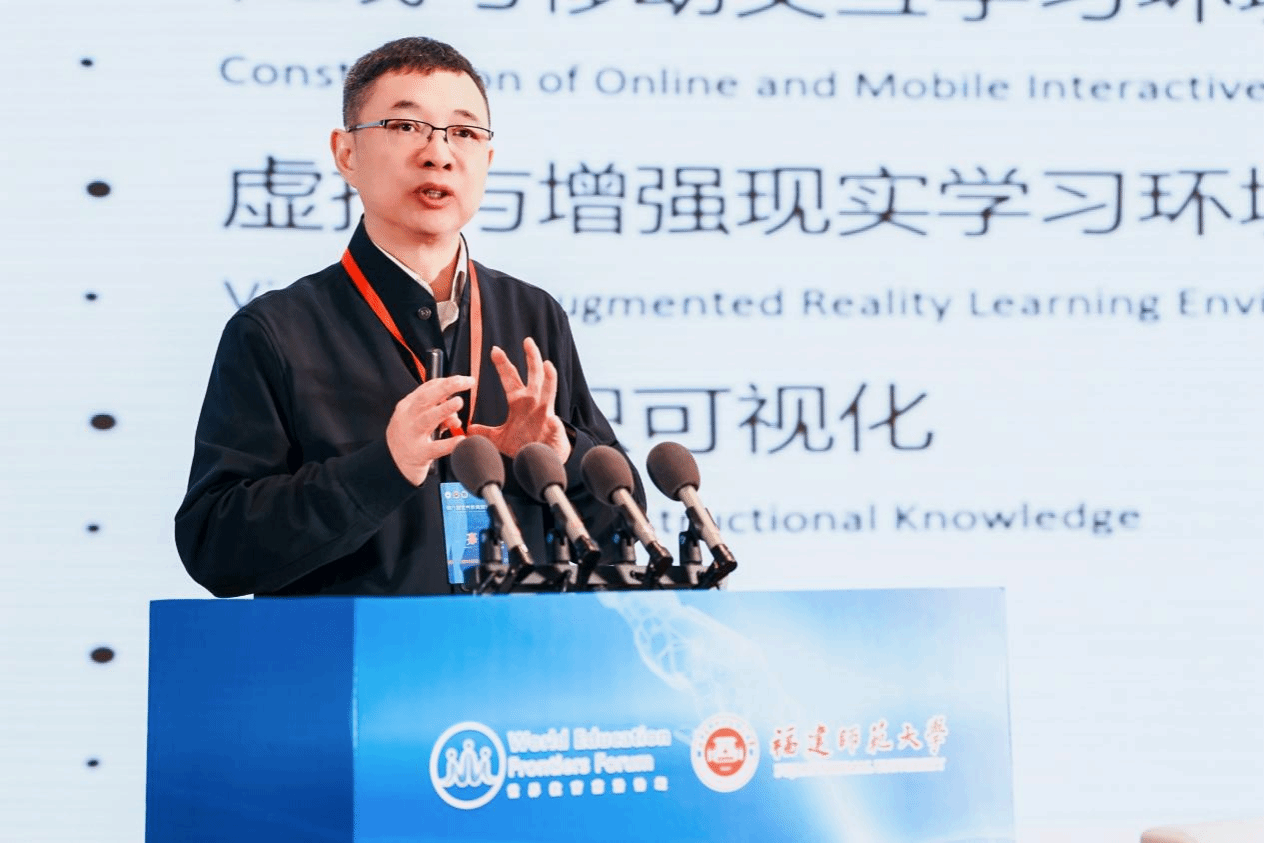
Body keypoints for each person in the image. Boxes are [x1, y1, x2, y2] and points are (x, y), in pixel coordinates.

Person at [175, 36, 639, 597]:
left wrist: (558, 458)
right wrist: (385, 467)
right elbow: (214, 546)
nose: (438, 154)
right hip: (356, 650)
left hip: (518, 648)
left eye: (464, 133)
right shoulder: (276, 331)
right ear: (346, 154)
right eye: (405, 126)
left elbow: (623, 527)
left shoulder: (533, 315)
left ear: (487, 161)